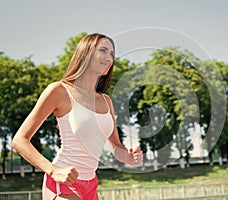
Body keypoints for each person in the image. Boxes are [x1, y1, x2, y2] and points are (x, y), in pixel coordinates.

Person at [12, 33, 143, 200]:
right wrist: (53, 170)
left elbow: (116, 147)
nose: (109, 58)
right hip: (62, 183)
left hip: (91, 184)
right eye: (103, 50)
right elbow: (19, 140)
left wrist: (129, 157)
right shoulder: (59, 91)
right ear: (86, 53)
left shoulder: (105, 100)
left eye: (112, 53)